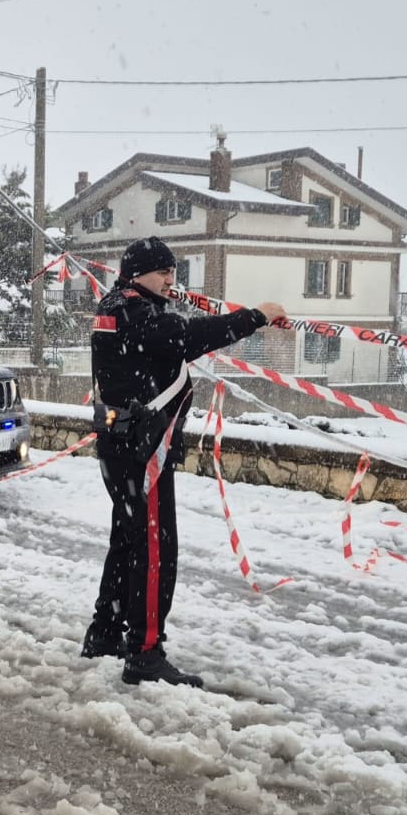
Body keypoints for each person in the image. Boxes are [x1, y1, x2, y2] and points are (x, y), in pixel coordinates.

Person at [83, 236, 286, 688]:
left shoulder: (115, 306)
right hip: (143, 452)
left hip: (122, 448)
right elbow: (188, 338)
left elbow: (172, 337)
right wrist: (256, 316)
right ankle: (145, 652)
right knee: (155, 552)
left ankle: (105, 632)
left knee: (128, 540)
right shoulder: (135, 312)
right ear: (137, 274)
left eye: (173, 272)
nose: (170, 280)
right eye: (162, 272)